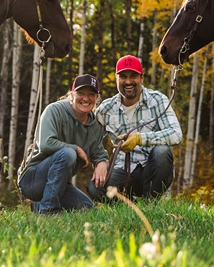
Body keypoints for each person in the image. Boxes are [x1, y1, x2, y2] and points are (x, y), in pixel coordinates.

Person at [88, 55, 182, 201]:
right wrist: (100, 161)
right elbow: (91, 142)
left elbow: (176, 135)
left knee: (162, 152)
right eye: (123, 76)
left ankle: (151, 204)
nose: (128, 81)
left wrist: (140, 138)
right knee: (95, 188)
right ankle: (130, 207)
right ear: (116, 78)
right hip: (121, 170)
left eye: (133, 76)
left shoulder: (157, 100)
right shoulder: (105, 109)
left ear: (142, 78)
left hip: (151, 168)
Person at [18, 74, 108, 214]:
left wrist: (102, 162)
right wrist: (76, 149)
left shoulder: (95, 125)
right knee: (68, 153)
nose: (85, 98)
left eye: (91, 94)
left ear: (97, 98)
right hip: (31, 180)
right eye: (80, 93)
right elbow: (46, 144)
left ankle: (40, 205)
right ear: (72, 95)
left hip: (58, 184)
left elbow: (98, 151)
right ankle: (48, 211)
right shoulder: (54, 110)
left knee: (88, 210)